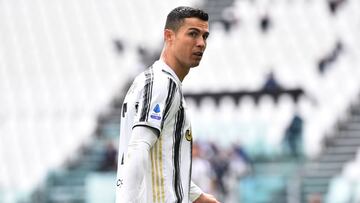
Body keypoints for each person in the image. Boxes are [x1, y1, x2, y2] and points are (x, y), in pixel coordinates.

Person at [116, 6, 219, 203]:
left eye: (205, 36)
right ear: (169, 36)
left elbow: (163, 161)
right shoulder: (163, 84)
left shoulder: (153, 81)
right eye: (193, 34)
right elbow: (138, 149)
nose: (201, 43)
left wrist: (198, 196)